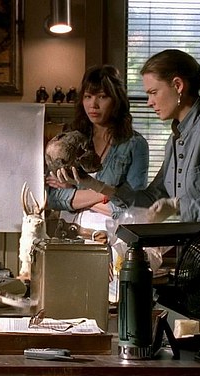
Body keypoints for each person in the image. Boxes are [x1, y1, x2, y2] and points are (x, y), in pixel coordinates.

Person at [55, 49, 200, 332]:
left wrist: (179, 206)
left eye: (153, 92)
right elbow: (151, 197)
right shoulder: (176, 140)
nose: (149, 102)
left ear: (178, 85)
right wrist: (95, 185)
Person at [45, 64, 149, 243]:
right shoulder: (69, 141)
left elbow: (132, 205)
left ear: (116, 100)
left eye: (102, 96)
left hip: (112, 238)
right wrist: (108, 194)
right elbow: (53, 198)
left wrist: (75, 194)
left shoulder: (135, 144)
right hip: (70, 234)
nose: (93, 105)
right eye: (88, 96)